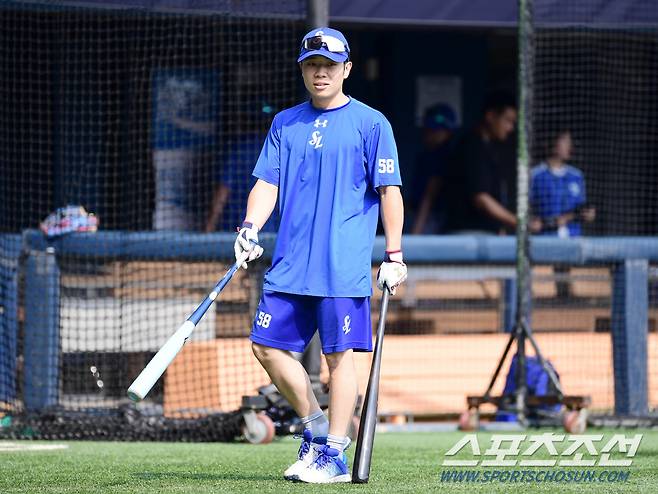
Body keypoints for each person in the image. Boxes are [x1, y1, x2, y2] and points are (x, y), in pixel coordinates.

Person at [233, 27, 407, 483]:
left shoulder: (372, 123)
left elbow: (389, 191)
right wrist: (250, 227)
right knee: (265, 348)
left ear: (346, 69)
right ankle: (314, 429)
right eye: (312, 65)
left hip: (341, 266)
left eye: (329, 65)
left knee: (339, 360)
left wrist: (394, 253)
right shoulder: (284, 123)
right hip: (290, 263)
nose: (320, 73)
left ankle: (333, 453)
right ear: (303, 70)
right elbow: (266, 184)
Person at [442, 91, 518, 234]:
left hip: (485, 234)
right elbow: (481, 198)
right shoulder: (472, 146)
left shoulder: (493, 147)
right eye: (507, 120)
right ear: (490, 116)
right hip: (467, 235)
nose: (510, 128)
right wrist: (517, 222)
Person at [205, 102, 277, 233]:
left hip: (238, 228)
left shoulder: (240, 150)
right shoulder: (281, 150)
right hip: (269, 229)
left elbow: (223, 191)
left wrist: (210, 226)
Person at [529, 129, 595, 238]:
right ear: (553, 143)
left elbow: (583, 208)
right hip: (545, 241)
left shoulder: (577, 176)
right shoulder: (535, 175)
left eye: (569, 141)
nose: (569, 145)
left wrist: (589, 215)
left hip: (573, 242)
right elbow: (526, 211)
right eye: (564, 140)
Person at [410, 103, 458, 234]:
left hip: (433, 217)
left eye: (437, 131)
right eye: (428, 130)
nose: (430, 134)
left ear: (448, 132)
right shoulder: (427, 154)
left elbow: (430, 195)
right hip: (423, 214)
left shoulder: (442, 155)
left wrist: (417, 229)